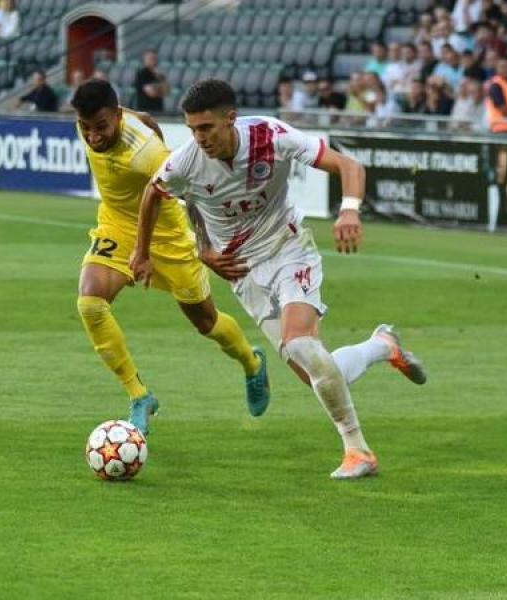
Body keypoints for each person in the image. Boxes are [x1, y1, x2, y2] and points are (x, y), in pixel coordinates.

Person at [131, 79, 427, 479]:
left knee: (302, 345)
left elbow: (348, 165)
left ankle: (358, 451)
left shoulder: (270, 136)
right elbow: (157, 194)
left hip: (288, 249)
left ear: (230, 119)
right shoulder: (186, 161)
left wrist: (350, 211)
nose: (199, 138)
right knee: (315, 373)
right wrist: (146, 252)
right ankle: (381, 345)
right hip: (243, 272)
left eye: (206, 128)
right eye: (193, 129)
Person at [66, 79, 270, 434]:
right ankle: (140, 395)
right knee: (90, 303)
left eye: (101, 127)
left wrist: (205, 248)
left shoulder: (148, 154)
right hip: (117, 224)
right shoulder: (99, 119)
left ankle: (252, 363)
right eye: (86, 128)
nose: (94, 137)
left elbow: (190, 194)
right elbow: (141, 114)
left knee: (205, 322)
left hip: (169, 234)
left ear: (115, 116)